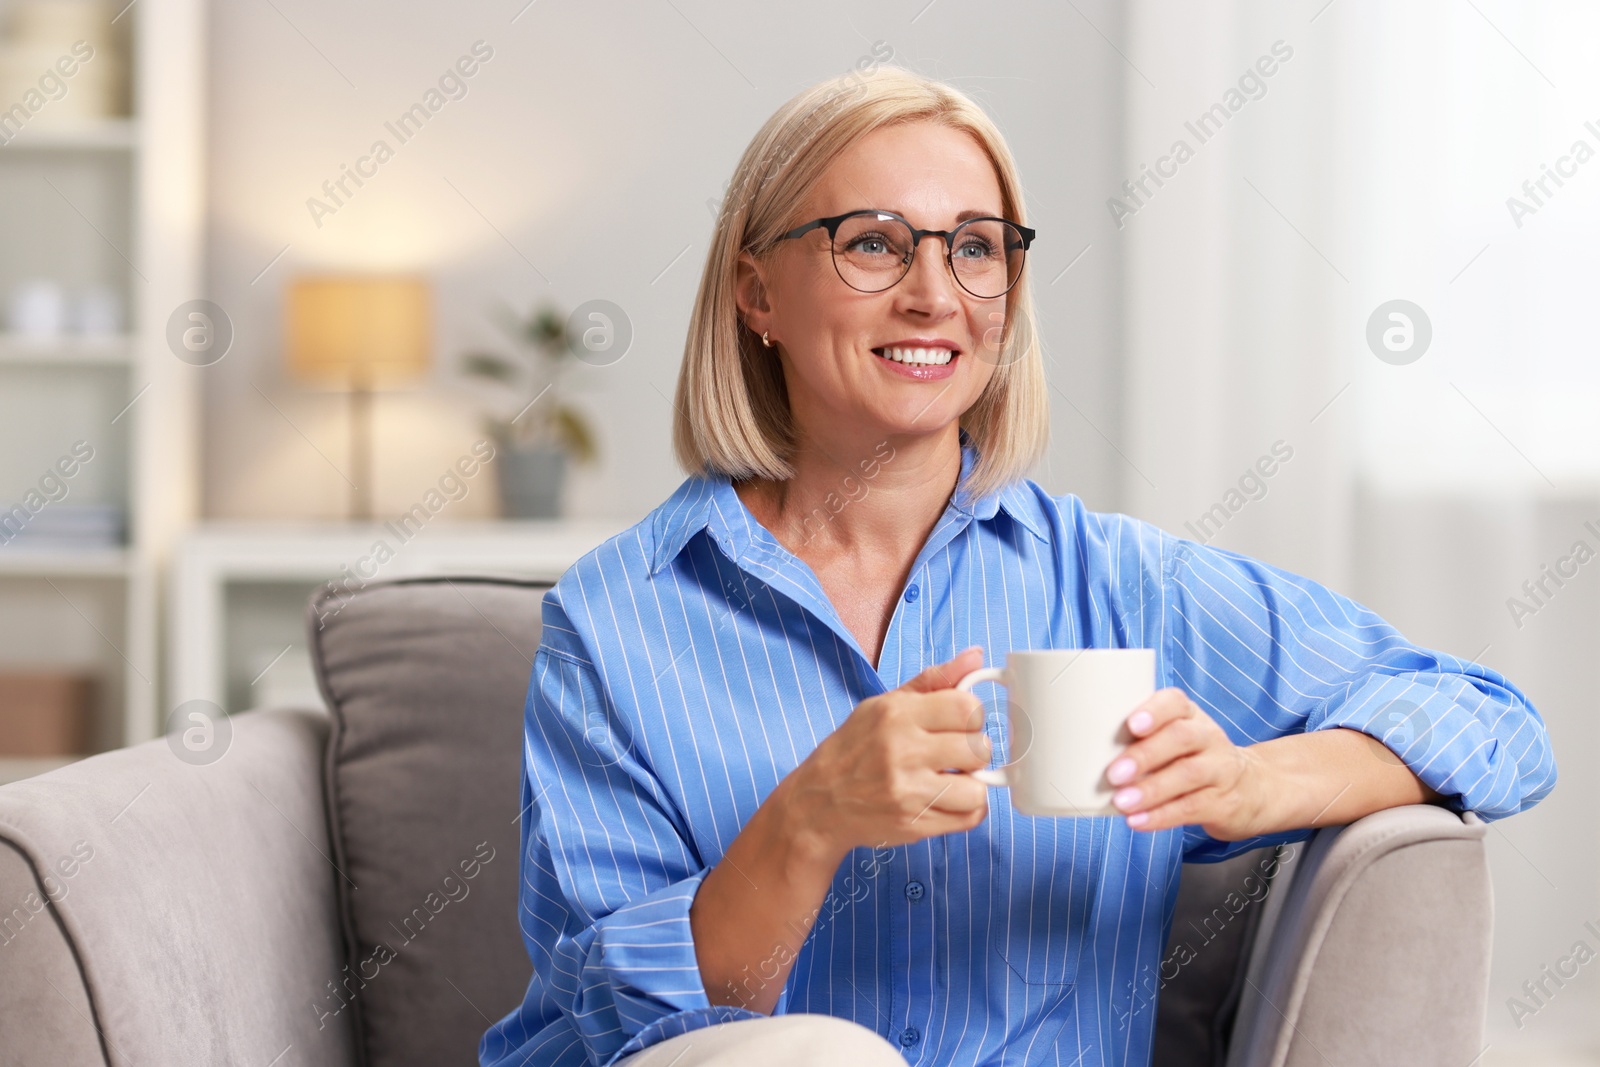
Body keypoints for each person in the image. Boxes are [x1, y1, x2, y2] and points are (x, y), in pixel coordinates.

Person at [479, 68, 1555, 1067]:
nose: (935, 294)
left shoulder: (1121, 586)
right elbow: (622, 1022)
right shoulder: (619, 616)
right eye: (872, 243)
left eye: (976, 247)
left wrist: (1250, 781)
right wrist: (808, 820)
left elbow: (1487, 717)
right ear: (757, 294)